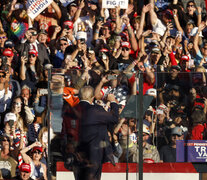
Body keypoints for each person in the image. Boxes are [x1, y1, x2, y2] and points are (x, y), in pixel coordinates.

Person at [75, 86, 119, 180]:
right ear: (92, 98)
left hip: (76, 155)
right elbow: (114, 118)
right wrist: (113, 101)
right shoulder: (96, 110)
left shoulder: (70, 111)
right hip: (93, 155)